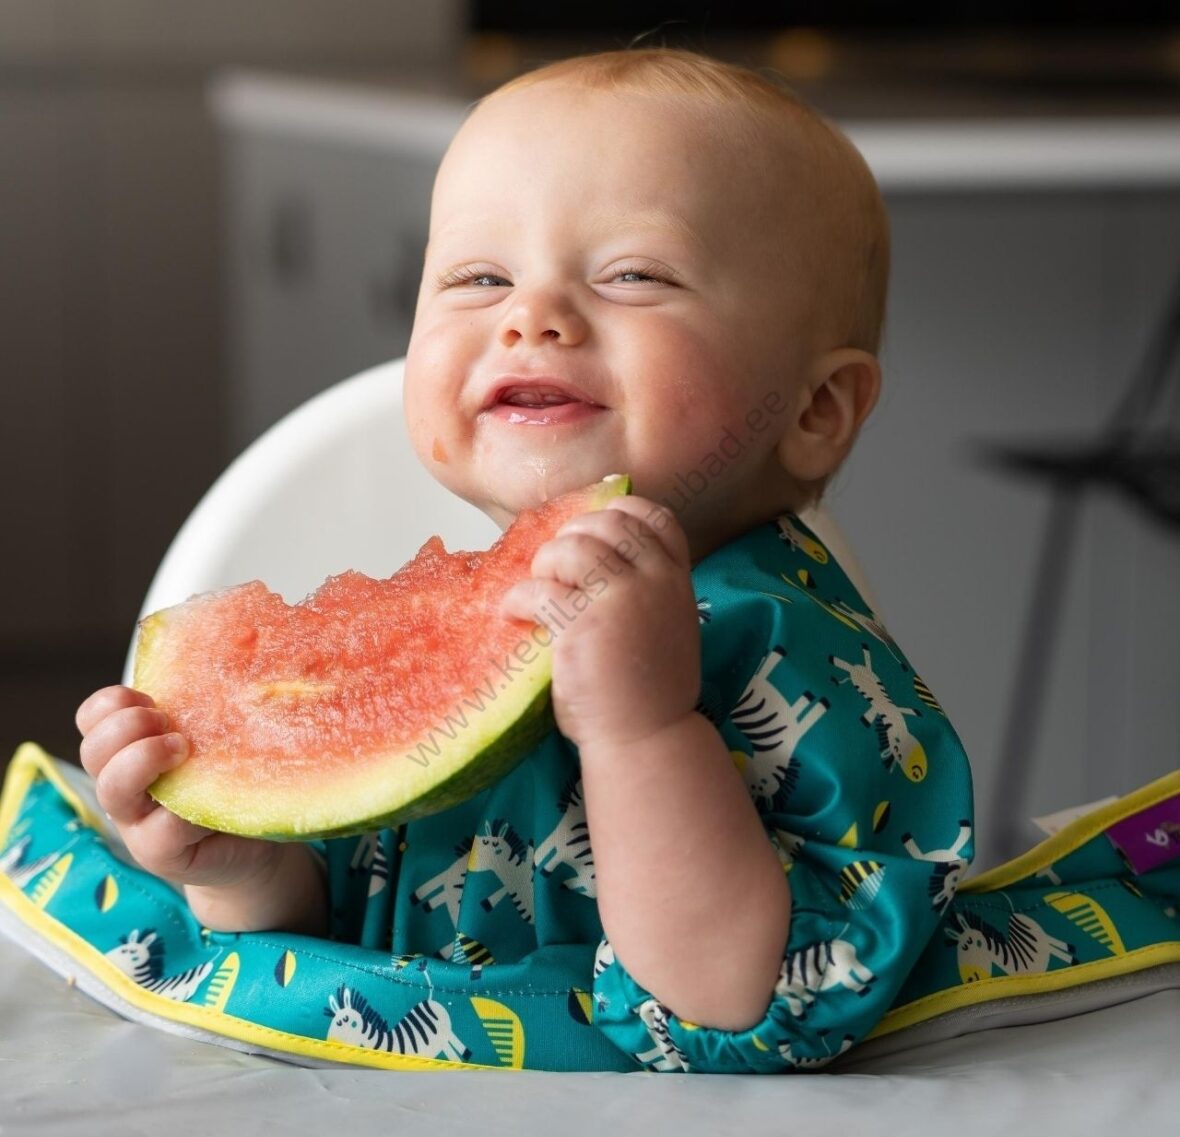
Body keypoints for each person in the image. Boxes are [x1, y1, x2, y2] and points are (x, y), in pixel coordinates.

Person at [73, 47, 973, 1072]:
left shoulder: (789, 645)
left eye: (633, 274)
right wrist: (244, 870)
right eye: (477, 276)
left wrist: (640, 728)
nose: (529, 315)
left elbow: (738, 1006)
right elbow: (373, 938)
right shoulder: (483, 612)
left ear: (813, 409)